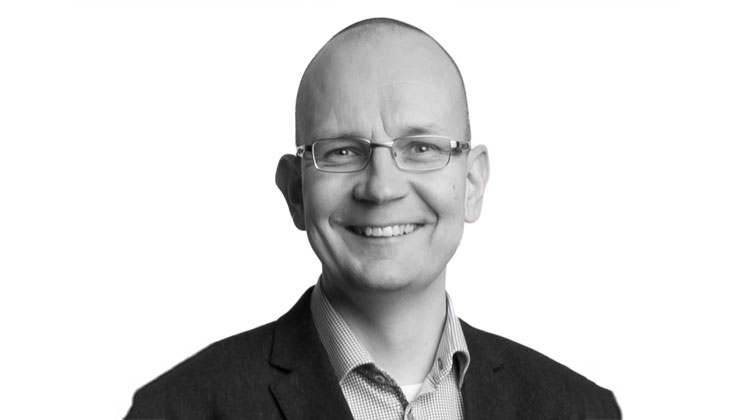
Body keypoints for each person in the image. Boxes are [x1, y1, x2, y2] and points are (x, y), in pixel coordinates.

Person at [125, 18, 621, 420]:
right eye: (342, 151)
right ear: (296, 192)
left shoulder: (581, 411)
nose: (382, 188)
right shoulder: (175, 411)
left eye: (421, 148)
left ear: (472, 184)